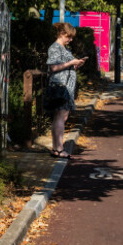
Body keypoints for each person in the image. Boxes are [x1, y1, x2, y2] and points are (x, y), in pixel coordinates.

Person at [47, 23, 87, 158]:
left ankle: (57, 148)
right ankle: (58, 149)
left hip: (66, 87)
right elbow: (53, 67)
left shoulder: (64, 49)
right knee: (60, 117)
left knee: (62, 117)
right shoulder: (55, 48)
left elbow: (65, 67)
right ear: (61, 34)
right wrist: (71, 63)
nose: (71, 40)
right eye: (69, 37)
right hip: (60, 86)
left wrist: (77, 64)